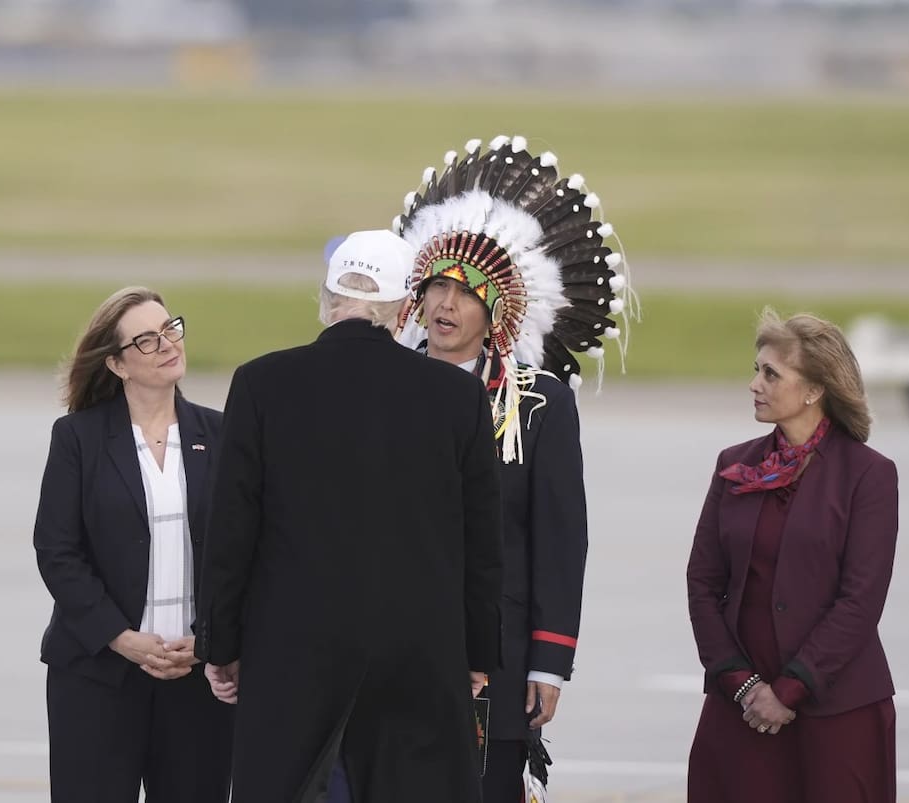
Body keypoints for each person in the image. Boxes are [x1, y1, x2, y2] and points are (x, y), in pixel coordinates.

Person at [195, 229, 504, 803]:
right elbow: (482, 542)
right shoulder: (456, 397)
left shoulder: (262, 383)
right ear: (403, 310)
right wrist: (478, 653)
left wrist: (222, 645)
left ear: (326, 297)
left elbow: (231, 530)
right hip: (419, 655)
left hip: (291, 654)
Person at [390, 135, 632, 801]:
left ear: (495, 309)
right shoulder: (386, 389)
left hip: (499, 654)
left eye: (464, 293)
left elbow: (560, 538)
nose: (444, 305)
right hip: (392, 651)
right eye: (434, 286)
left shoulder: (537, 402)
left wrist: (549, 660)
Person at [687, 309, 900, 803]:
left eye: (770, 373)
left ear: (814, 390)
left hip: (837, 709)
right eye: (756, 369)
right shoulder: (736, 465)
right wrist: (740, 683)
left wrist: (790, 688)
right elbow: (702, 581)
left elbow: (861, 599)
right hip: (739, 705)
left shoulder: (868, 475)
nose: (754, 384)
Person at [33, 287, 233, 803]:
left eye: (171, 329)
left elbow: (243, 552)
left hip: (196, 677)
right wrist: (121, 638)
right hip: (99, 675)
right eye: (147, 340)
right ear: (118, 365)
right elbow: (57, 551)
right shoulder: (77, 438)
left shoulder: (222, 433)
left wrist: (210, 642)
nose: (168, 344)